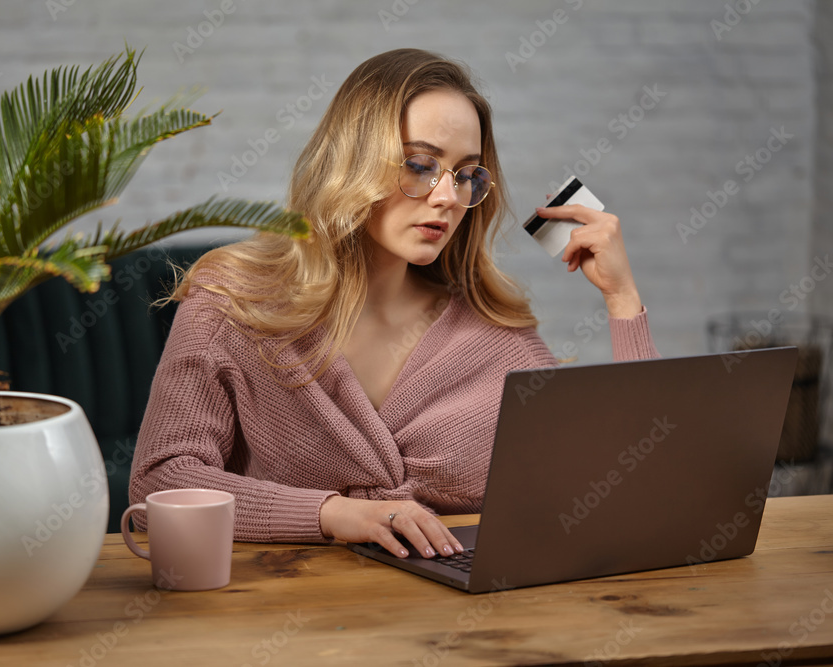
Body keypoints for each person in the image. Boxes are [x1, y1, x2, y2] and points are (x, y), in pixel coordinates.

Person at [129, 48, 657, 561]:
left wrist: (622, 300)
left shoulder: (496, 337)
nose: (447, 197)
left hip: (465, 624)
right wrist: (334, 515)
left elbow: (635, 490)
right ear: (353, 163)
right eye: (420, 165)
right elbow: (161, 481)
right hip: (282, 619)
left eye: (466, 174)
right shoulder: (236, 302)